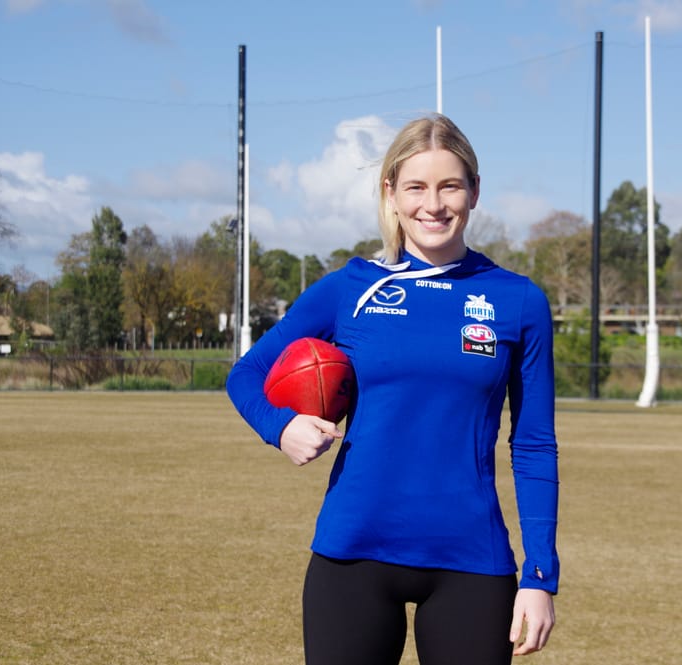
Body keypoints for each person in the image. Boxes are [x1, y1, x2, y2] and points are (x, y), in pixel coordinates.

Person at [226, 113, 559, 665]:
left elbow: (533, 446)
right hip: (352, 555)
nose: (434, 204)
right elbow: (246, 375)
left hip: (471, 560)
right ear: (391, 192)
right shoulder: (349, 289)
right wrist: (279, 427)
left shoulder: (517, 301)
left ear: (475, 190)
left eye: (450, 185)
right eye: (416, 187)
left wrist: (540, 575)